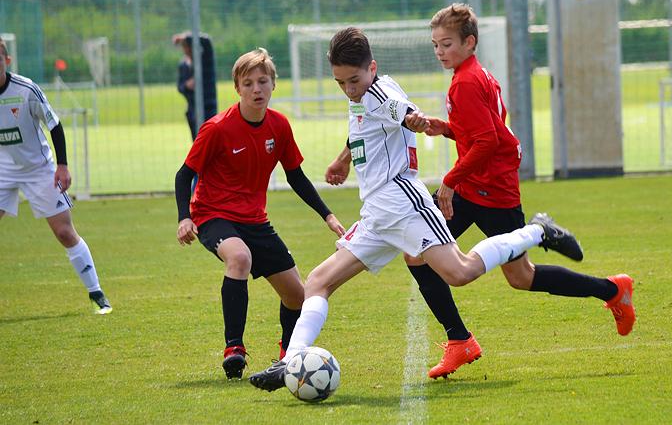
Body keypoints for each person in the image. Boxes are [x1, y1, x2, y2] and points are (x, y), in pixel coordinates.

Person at [248, 27, 582, 391]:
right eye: (340, 82)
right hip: (377, 214)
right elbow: (365, 122)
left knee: (460, 272)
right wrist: (344, 158)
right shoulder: (363, 93)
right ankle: (291, 362)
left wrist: (413, 118)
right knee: (317, 282)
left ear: (372, 68)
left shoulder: (381, 92)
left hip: (405, 204)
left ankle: (537, 230)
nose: (349, 89)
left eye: (354, 80)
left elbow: (399, 110)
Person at [399, 3, 635, 377]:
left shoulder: (466, 82)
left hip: (490, 192)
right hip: (478, 187)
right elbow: (489, 131)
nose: (440, 51)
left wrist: (449, 180)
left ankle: (611, 289)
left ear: (469, 42)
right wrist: (447, 129)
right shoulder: (474, 75)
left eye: (446, 44)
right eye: (435, 45)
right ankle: (460, 340)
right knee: (416, 251)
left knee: (520, 277)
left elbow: (488, 142)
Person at [174, 48, 345, 380]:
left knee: (297, 295)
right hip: (213, 215)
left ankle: (288, 356)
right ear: (237, 88)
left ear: (273, 85)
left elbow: (296, 176)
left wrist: (327, 215)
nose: (256, 89)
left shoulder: (279, 125)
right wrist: (185, 217)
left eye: (263, 81)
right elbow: (184, 175)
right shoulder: (217, 128)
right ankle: (234, 349)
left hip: (255, 220)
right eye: (248, 83)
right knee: (239, 257)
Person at [0, 36, 112, 315]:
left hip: (39, 169)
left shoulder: (26, 90)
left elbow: (54, 125)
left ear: (7, 60)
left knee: (64, 232)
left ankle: (97, 293)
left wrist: (62, 165)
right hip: (3, 169)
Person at [173, 31, 218, 141]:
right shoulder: (183, 65)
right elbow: (180, 87)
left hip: (208, 108)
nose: (186, 50)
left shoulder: (205, 59)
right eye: (184, 47)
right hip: (192, 110)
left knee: (210, 140)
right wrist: (186, 86)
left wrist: (185, 36)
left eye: (188, 46)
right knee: (196, 142)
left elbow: (207, 40)